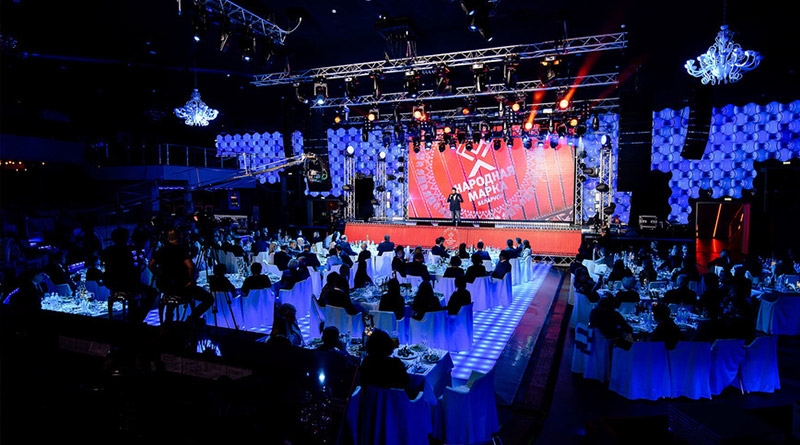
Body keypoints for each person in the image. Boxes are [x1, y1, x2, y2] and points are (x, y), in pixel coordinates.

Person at [149, 229, 213, 325]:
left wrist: (158, 275)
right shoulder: (180, 250)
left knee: (172, 296)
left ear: (168, 238)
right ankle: (191, 320)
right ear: (180, 237)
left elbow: (151, 265)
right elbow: (190, 266)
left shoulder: (161, 250)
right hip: (180, 286)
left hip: (164, 286)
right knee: (209, 299)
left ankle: (168, 322)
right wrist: (191, 280)